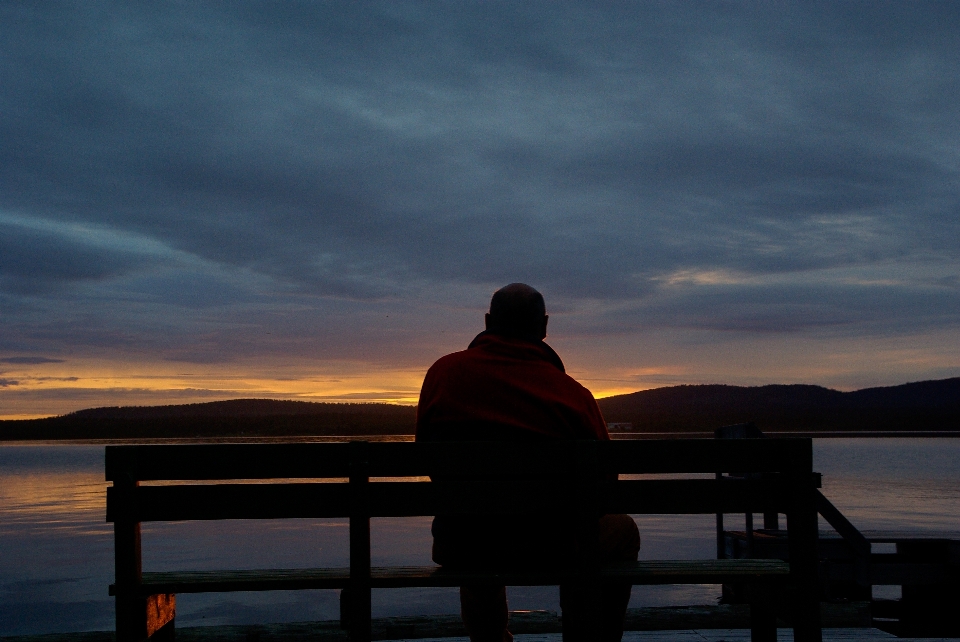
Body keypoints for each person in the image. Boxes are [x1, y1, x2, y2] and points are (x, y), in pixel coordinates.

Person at [416, 283, 641, 642]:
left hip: (463, 544)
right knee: (622, 531)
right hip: (552, 545)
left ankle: (490, 640)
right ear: (544, 326)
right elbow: (605, 485)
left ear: (488, 321)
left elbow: (426, 455)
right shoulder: (573, 395)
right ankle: (588, 637)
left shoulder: (443, 375)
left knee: (472, 522)